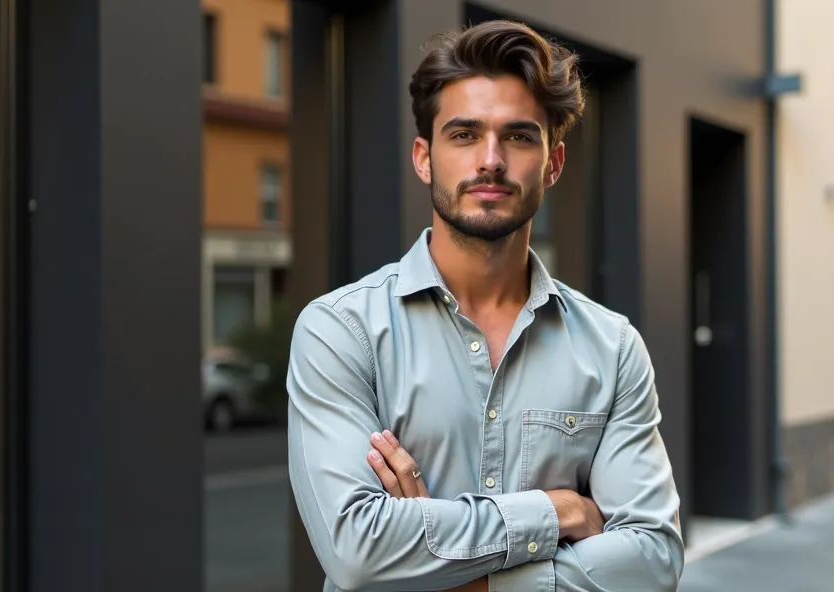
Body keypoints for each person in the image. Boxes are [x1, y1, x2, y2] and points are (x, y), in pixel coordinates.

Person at [287, 19, 684, 592]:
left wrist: (456, 575)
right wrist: (559, 512)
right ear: (424, 158)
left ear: (554, 163)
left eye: (520, 136)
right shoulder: (341, 330)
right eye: (465, 134)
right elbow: (358, 552)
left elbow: (652, 561)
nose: (491, 160)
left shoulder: (612, 346)